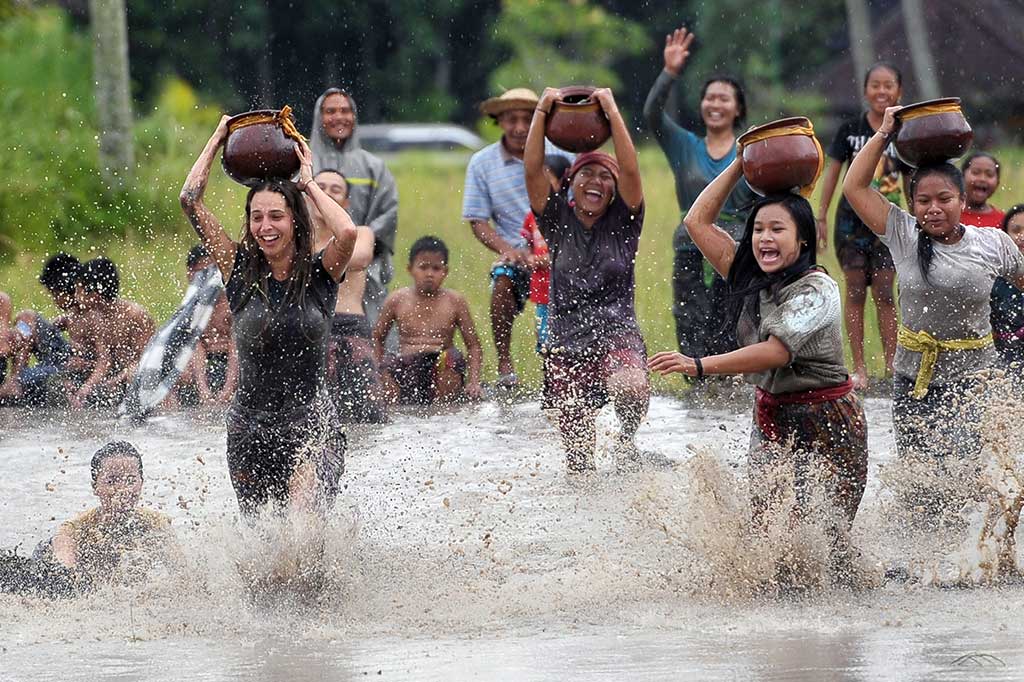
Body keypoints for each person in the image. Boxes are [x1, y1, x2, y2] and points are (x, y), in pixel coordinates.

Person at [648, 157, 868, 580]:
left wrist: (697, 365)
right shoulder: (747, 274)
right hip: (772, 415)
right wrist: (739, 164)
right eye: (758, 230)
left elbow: (775, 352)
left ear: (803, 240)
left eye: (777, 229)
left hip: (830, 421)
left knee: (832, 541)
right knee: (768, 528)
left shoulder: (818, 289)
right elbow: (697, 222)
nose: (764, 239)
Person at [180, 116, 358, 517]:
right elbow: (190, 200)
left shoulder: (320, 273)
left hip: (311, 425)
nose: (265, 227)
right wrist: (217, 137)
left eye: (275, 216)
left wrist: (308, 183)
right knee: (265, 545)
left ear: (294, 220)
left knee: (301, 525)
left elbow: (347, 234)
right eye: (256, 217)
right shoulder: (239, 271)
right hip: (249, 427)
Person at [842, 106, 1024, 479]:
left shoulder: (993, 244)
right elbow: (854, 188)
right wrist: (883, 135)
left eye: (944, 199)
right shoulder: (903, 234)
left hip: (973, 381)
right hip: (913, 381)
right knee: (918, 479)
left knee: (961, 475)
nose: (934, 209)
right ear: (911, 205)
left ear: (962, 200)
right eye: (923, 202)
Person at [526, 87, 650, 473]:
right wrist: (543, 108)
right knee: (579, 466)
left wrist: (611, 109)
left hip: (617, 333)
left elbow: (630, 169)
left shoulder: (624, 225)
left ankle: (627, 442)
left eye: (605, 177)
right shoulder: (557, 221)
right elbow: (531, 169)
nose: (597, 181)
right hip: (566, 342)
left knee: (630, 387)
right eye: (587, 174)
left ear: (614, 191)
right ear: (571, 186)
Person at [643, 26, 755, 362]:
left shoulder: (750, 148)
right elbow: (651, 114)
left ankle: (732, 387)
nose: (715, 104)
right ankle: (697, 394)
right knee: (690, 320)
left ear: (738, 108)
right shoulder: (684, 146)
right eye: (709, 97)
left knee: (736, 322)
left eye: (724, 98)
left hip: (735, 250)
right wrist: (669, 72)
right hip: (690, 247)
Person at [463, 88, 571, 389]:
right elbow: (477, 220)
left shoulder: (561, 155)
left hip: (562, 250)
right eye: (512, 119)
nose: (521, 128)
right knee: (502, 282)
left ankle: (565, 366)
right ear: (499, 121)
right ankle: (505, 362)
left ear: (541, 122)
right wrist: (510, 250)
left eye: (528, 119)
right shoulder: (482, 163)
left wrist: (563, 251)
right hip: (517, 248)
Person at [816, 62, 906, 390]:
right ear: (865, 90)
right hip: (850, 224)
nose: (881, 91)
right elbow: (833, 173)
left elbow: (911, 180)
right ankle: (858, 368)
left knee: (885, 292)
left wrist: (917, 223)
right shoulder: (849, 130)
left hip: (887, 222)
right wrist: (822, 216)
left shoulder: (903, 130)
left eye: (888, 86)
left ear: (900, 92)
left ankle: (894, 365)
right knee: (855, 290)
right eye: (875, 85)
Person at [0, 441, 178, 597]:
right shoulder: (75, 529)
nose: (123, 489)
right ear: (95, 487)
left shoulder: (156, 524)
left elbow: (183, 575)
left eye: (131, 480)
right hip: (51, 561)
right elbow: (66, 572)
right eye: (112, 481)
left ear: (141, 483)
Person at [309, 88, 398, 330]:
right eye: (331, 111)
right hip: (312, 257)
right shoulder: (303, 160)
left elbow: (388, 213)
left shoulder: (373, 166)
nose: (339, 117)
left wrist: (360, 240)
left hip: (363, 263)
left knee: (371, 327)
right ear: (319, 117)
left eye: (345, 110)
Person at [310, 168, 387, 423]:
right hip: (309, 327)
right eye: (320, 187)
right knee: (312, 411)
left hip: (351, 326)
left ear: (346, 202)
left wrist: (305, 260)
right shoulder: (295, 236)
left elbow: (361, 258)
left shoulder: (362, 232)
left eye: (335, 189)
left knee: (369, 413)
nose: (327, 193)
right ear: (309, 195)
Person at [372, 236, 483, 406]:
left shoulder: (455, 301)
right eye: (423, 267)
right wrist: (377, 375)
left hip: (441, 367)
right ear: (410, 269)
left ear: (445, 271)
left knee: (451, 358)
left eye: (436, 268)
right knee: (387, 366)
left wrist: (474, 382)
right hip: (407, 366)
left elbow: (473, 345)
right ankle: (395, 416)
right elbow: (377, 338)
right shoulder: (397, 300)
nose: (430, 274)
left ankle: (445, 409)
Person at [75, 257, 156, 407]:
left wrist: (119, 378)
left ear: (95, 295)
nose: (76, 297)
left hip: (140, 374)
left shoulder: (135, 315)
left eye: (79, 291)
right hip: (117, 375)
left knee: (133, 376)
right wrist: (86, 388)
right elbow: (104, 361)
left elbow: (147, 360)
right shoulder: (96, 317)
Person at [0, 253, 80, 404]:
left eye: (55, 295)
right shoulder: (75, 311)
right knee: (27, 317)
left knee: (27, 378)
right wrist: (21, 336)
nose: (55, 300)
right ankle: (15, 379)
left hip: (72, 365)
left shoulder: (93, 312)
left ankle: (18, 382)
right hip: (61, 357)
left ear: (66, 290)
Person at [173, 245, 238, 406]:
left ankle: (226, 395)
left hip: (231, 361)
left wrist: (228, 390)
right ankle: (172, 421)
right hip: (201, 362)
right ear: (190, 274)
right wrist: (203, 391)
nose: (209, 277)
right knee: (173, 373)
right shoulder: (190, 306)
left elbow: (235, 344)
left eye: (213, 271)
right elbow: (191, 343)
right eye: (202, 273)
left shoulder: (231, 301)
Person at [521, 155, 572, 355]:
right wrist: (529, 258)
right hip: (541, 287)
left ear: (562, 182)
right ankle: (548, 379)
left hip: (564, 290)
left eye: (547, 178)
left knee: (563, 339)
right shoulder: (532, 216)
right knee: (543, 338)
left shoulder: (570, 216)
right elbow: (528, 245)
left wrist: (550, 260)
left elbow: (574, 252)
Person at [991, 205, 1024, 373]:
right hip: (1001, 360)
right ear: (1004, 237)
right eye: (1016, 230)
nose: (1022, 237)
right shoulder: (994, 278)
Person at [960, 152, 1004, 228]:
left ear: (997, 183)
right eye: (976, 172)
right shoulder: (950, 216)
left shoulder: (1003, 221)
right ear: (962, 177)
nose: (982, 179)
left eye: (989, 175)